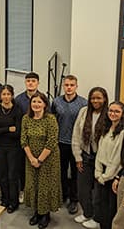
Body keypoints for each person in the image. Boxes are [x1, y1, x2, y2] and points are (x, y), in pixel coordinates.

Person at [21, 92, 61, 229]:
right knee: (33, 184)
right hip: (30, 158)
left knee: (45, 185)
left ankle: (45, 214)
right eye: (34, 102)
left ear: (45, 104)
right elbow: (23, 140)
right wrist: (32, 158)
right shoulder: (26, 118)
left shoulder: (50, 119)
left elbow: (51, 141)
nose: (36, 105)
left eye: (39, 102)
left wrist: (39, 160)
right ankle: (37, 212)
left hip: (48, 159)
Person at [72, 87, 109, 228]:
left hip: (102, 159)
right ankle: (87, 213)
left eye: (99, 98)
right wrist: (77, 157)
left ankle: (97, 219)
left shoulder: (108, 115)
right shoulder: (83, 112)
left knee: (99, 192)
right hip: (85, 156)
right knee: (82, 189)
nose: (95, 100)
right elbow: (76, 135)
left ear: (104, 99)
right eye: (93, 98)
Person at [51, 75, 87, 214]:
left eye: (72, 85)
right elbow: (52, 121)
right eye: (66, 85)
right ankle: (63, 195)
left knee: (76, 173)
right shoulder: (56, 101)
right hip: (59, 143)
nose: (69, 87)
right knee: (61, 171)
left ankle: (74, 199)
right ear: (63, 86)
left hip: (76, 144)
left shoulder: (83, 103)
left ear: (76, 86)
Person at [0, 85, 23, 214]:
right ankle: (5, 199)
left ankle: (13, 202)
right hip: (0, 147)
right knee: (2, 175)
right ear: (0, 96)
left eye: (8, 94)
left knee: (12, 176)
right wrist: (8, 129)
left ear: (12, 95)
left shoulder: (17, 110)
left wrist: (1, 131)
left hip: (14, 148)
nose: (6, 97)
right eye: (4, 94)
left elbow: (18, 132)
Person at [94, 101, 124, 229]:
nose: (113, 114)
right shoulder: (107, 128)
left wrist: (105, 177)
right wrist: (97, 171)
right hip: (102, 172)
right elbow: (99, 151)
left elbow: (117, 158)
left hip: (111, 175)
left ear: (123, 114)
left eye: (117, 111)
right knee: (100, 206)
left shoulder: (123, 132)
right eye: (111, 111)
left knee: (109, 210)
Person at [14, 71, 44, 204]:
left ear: (38, 83)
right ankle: (23, 191)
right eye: (28, 81)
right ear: (25, 83)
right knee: (21, 167)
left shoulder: (43, 98)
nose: (30, 83)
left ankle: (37, 193)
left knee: (37, 168)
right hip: (23, 139)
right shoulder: (18, 99)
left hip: (39, 140)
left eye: (33, 81)